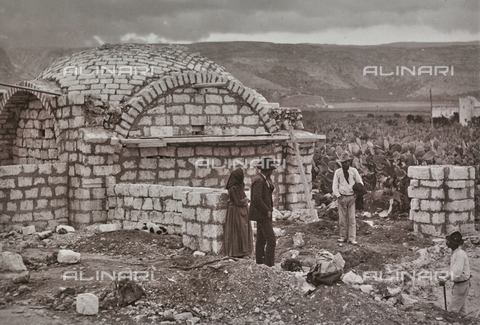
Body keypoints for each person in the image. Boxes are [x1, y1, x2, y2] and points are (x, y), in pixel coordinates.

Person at [249, 157, 277, 266]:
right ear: (268, 170)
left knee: (261, 240)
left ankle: (260, 263)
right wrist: (267, 211)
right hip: (263, 215)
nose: (272, 172)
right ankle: (269, 264)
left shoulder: (263, 179)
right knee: (271, 240)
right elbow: (257, 198)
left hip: (262, 214)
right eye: (271, 170)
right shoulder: (259, 180)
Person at [332, 151, 363, 245]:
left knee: (352, 218)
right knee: (342, 219)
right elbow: (334, 186)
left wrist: (356, 195)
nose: (344, 164)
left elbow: (360, 183)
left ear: (349, 162)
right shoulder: (338, 172)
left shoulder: (354, 171)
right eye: (342, 162)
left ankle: (352, 238)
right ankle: (343, 237)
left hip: (351, 197)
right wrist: (338, 196)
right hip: (342, 197)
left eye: (345, 162)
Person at [439, 231, 471, 314]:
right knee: (462, 312)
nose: (447, 242)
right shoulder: (455, 253)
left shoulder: (460, 254)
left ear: (454, 243)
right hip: (460, 285)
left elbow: (457, 271)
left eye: (449, 241)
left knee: (452, 311)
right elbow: (454, 269)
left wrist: (445, 279)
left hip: (461, 286)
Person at [224, 167, 253, 258]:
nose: (243, 177)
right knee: (237, 231)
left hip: (241, 211)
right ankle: (236, 253)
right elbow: (237, 202)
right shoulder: (232, 188)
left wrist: (245, 200)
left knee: (243, 231)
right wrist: (245, 200)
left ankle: (244, 251)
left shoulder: (240, 186)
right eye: (242, 175)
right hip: (235, 212)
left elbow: (243, 197)